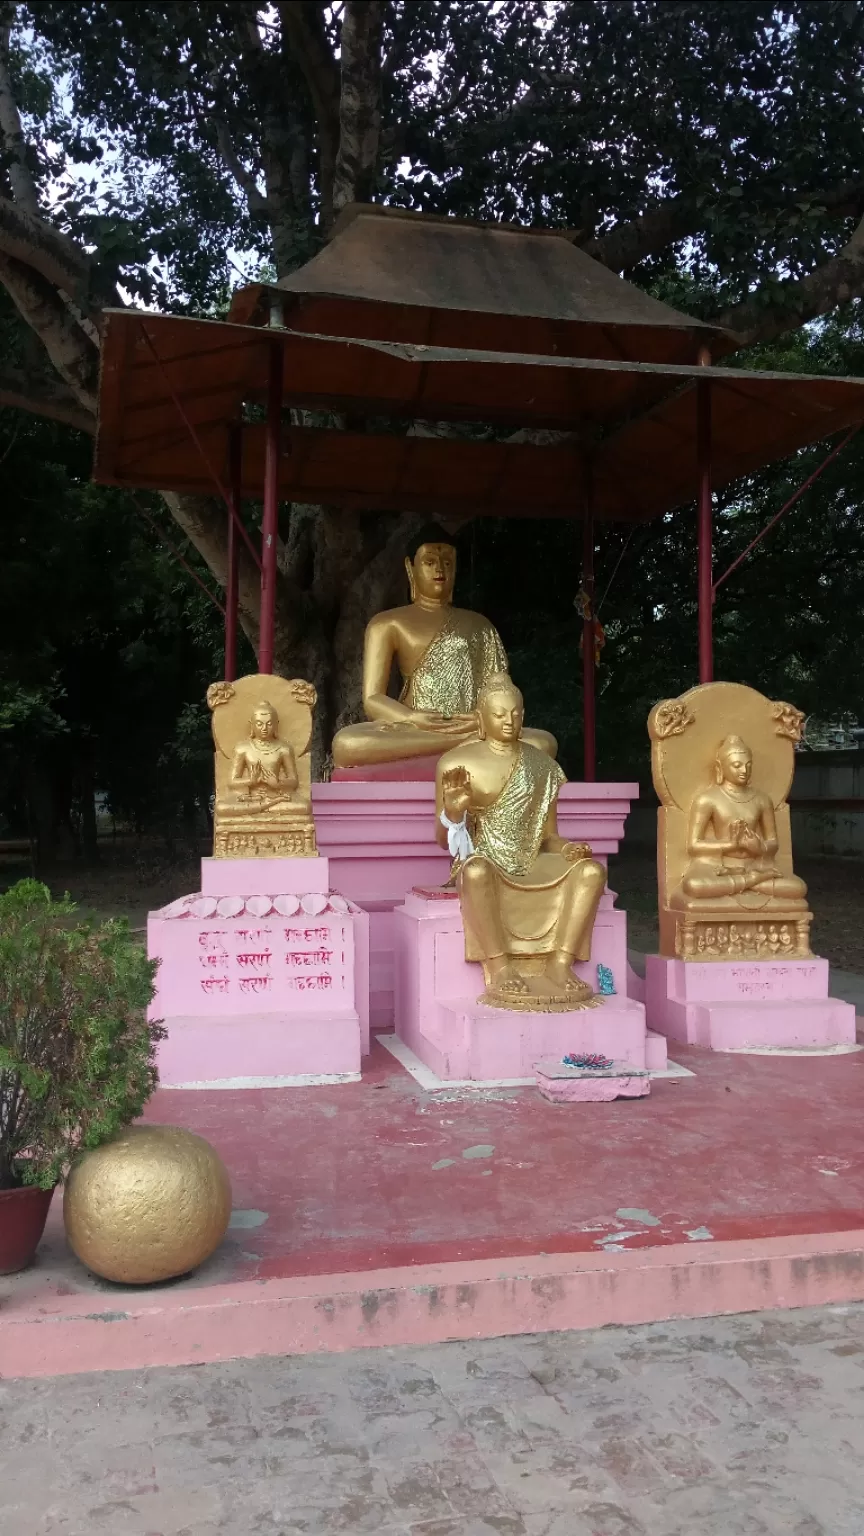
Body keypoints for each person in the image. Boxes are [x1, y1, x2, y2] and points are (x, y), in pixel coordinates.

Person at [436, 672, 605, 1010]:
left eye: (515, 713)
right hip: (485, 855)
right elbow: (443, 842)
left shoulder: (542, 764)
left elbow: (550, 836)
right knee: (475, 874)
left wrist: (568, 849)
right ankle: (499, 966)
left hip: (533, 857)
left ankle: (560, 962)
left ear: (524, 715)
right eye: (499, 715)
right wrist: (454, 814)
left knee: (591, 872)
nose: (508, 721)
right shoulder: (456, 763)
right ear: (481, 719)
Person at [332, 524, 557, 769]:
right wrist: (411, 718)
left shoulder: (480, 625)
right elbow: (373, 700)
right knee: (347, 743)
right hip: (414, 728)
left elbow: (501, 690)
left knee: (543, 743)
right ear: (410, 567)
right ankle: (460, 742)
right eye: (429, 561)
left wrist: (481, 720)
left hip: (475, 725)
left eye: (448, 562)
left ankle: (462, 739)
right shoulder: (386, 623)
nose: (440, 568)